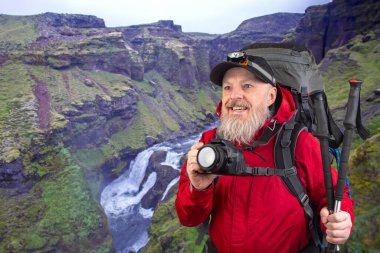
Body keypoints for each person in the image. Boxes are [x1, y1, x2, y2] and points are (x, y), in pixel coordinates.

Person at [175, 53, 354, 253]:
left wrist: (341, 220)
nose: (234, 96)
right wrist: (198, 188)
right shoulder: (209, 143)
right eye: (228, 87)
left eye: (247, 86)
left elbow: (333, 197)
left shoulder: (299, 142)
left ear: (271, 96)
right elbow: (188, 218)